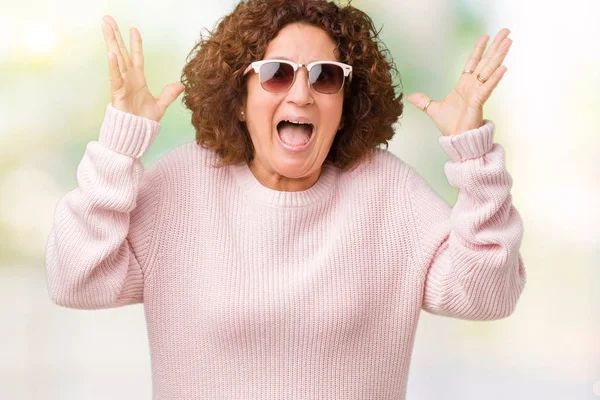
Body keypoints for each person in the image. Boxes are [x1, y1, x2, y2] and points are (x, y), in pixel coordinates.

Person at [45, 0, 526, 398]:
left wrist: (473, 155)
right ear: (239, 96)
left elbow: (488, 294)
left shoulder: (386, 191)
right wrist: (118, 145)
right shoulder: (182, 185)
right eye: (276, 73)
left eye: (325, 76)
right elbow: (75, 279)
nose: (301, 94)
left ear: (345, 101)